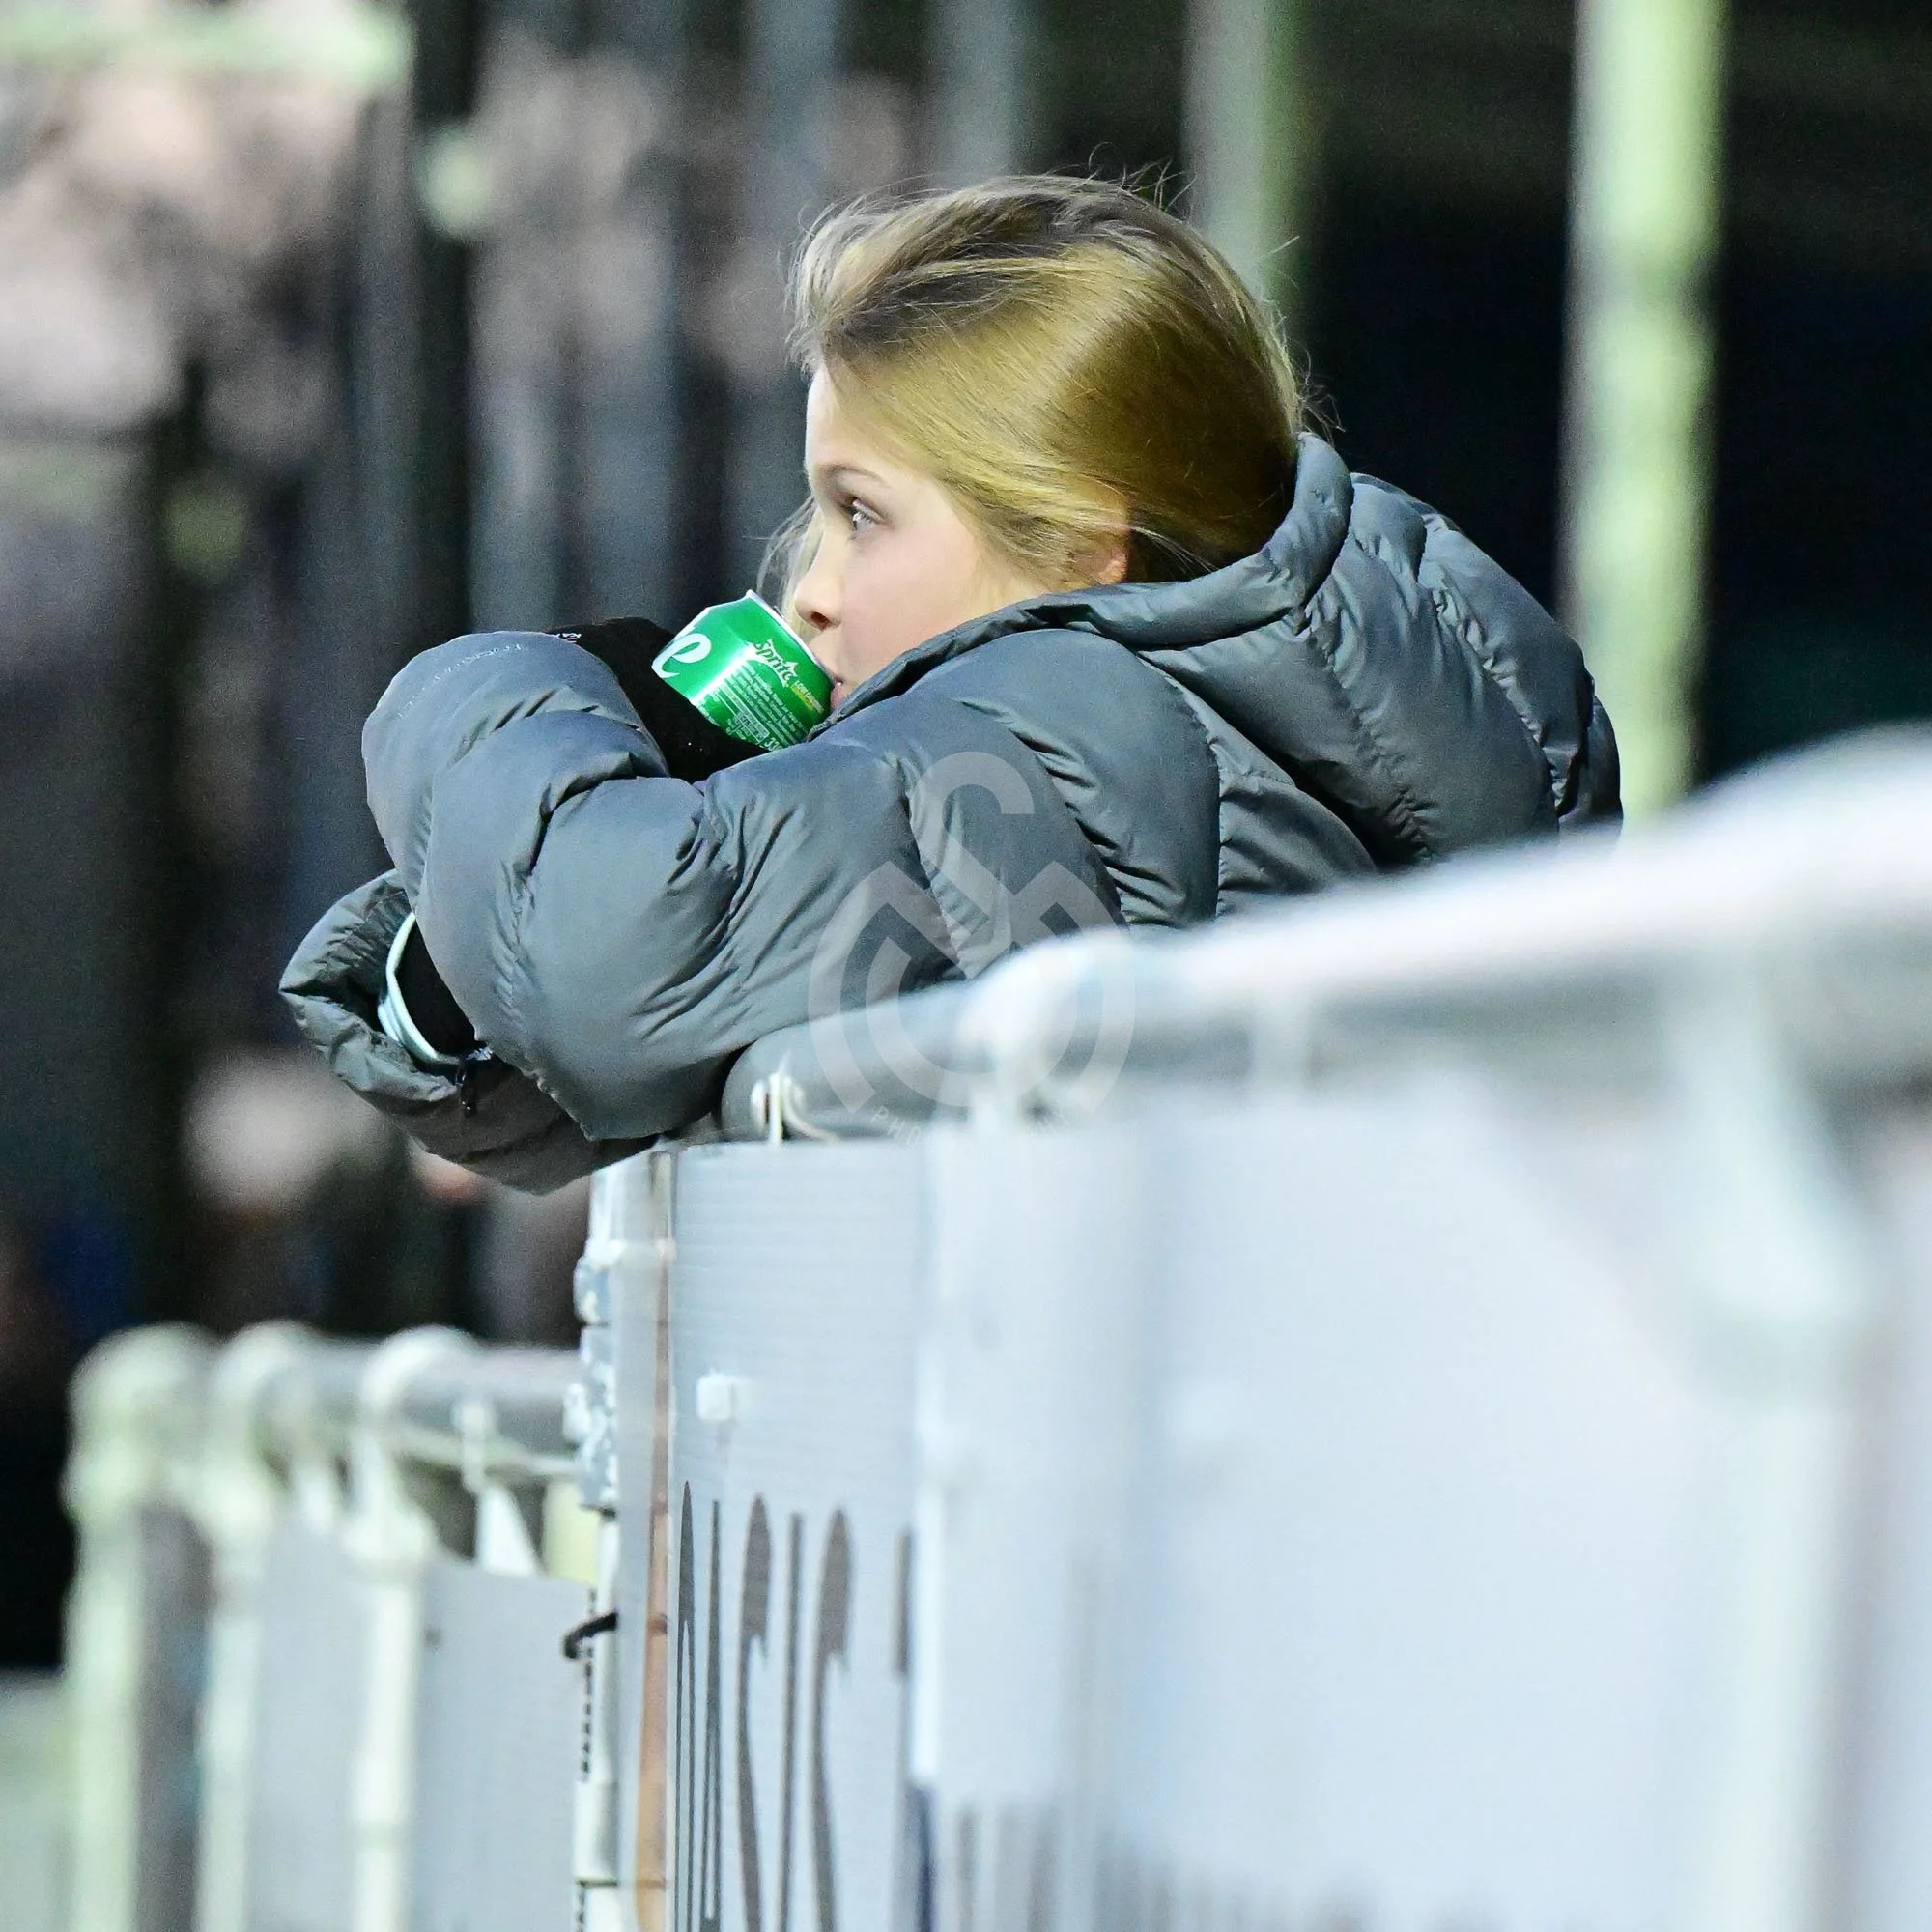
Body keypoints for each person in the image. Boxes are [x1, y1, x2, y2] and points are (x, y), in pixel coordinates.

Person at [283, 176, 1619, 1188]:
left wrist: (512, 687)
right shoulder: (1266, 735)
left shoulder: (1065, 737)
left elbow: (602, 955)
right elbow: (555, 1059)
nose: (808, 585)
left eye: (860, 516)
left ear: (1083, 548)